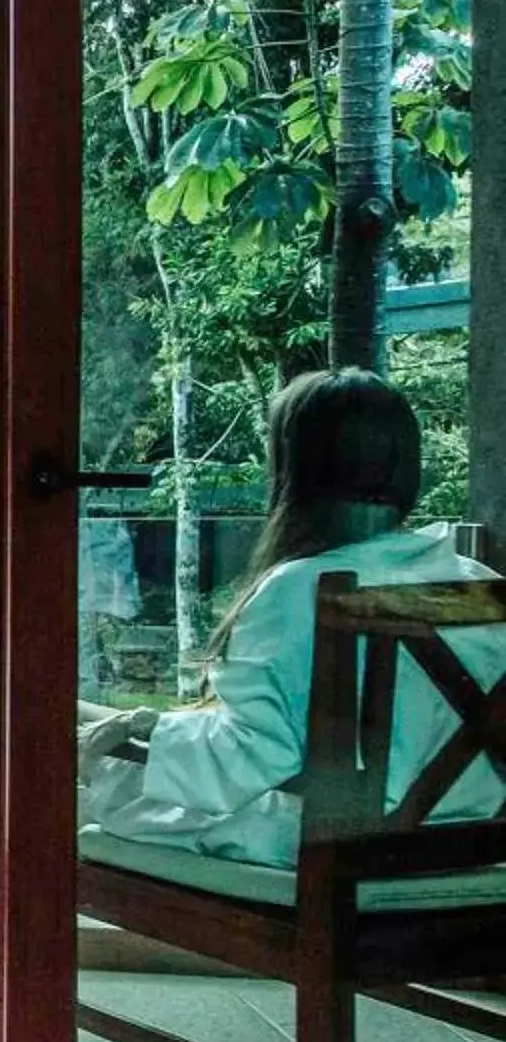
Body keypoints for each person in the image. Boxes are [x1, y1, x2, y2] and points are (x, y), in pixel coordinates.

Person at [81, 369, 505, 867]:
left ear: (292, 470)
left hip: (332, 851)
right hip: (465, 846)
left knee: (96, 790)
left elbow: (253, 756)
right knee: (113, 750)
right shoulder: (476, 583)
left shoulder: (296, 587)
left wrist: (124, 747)